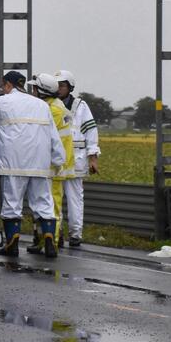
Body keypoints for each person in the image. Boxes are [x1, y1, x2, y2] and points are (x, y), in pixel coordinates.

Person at [0, 71, 65, 258]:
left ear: (8, 85)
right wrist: (58, 160)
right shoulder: (42, 106)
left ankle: (12, 246)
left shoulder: (1, 102)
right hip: (39, 164)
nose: (2, 88)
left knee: (12, 204)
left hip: (13, 164)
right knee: (44, 203)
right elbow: (53, 135)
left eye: (3, 85)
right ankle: (50, 244)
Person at [26, 73, 76, 254]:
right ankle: (42, 240)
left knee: (52, 204)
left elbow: (44, 136)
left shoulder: (53, 109)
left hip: (54, 165)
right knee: (43, 203)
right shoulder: (52, 106)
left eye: (34, 88)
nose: (32, 91)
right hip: (50, 163)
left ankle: (52, 241)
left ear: (42, 91)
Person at [55, 70, 100, 247]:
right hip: (56, 160)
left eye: (62, 85)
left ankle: (75, 234)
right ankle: (55, 230)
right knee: (54, 197)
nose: (59, 89)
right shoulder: (50, 104)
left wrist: (93, 158)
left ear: (70, 87)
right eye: (57, 85)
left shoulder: (81, 106)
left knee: (74, 198)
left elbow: (92, 132)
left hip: (76, 160)